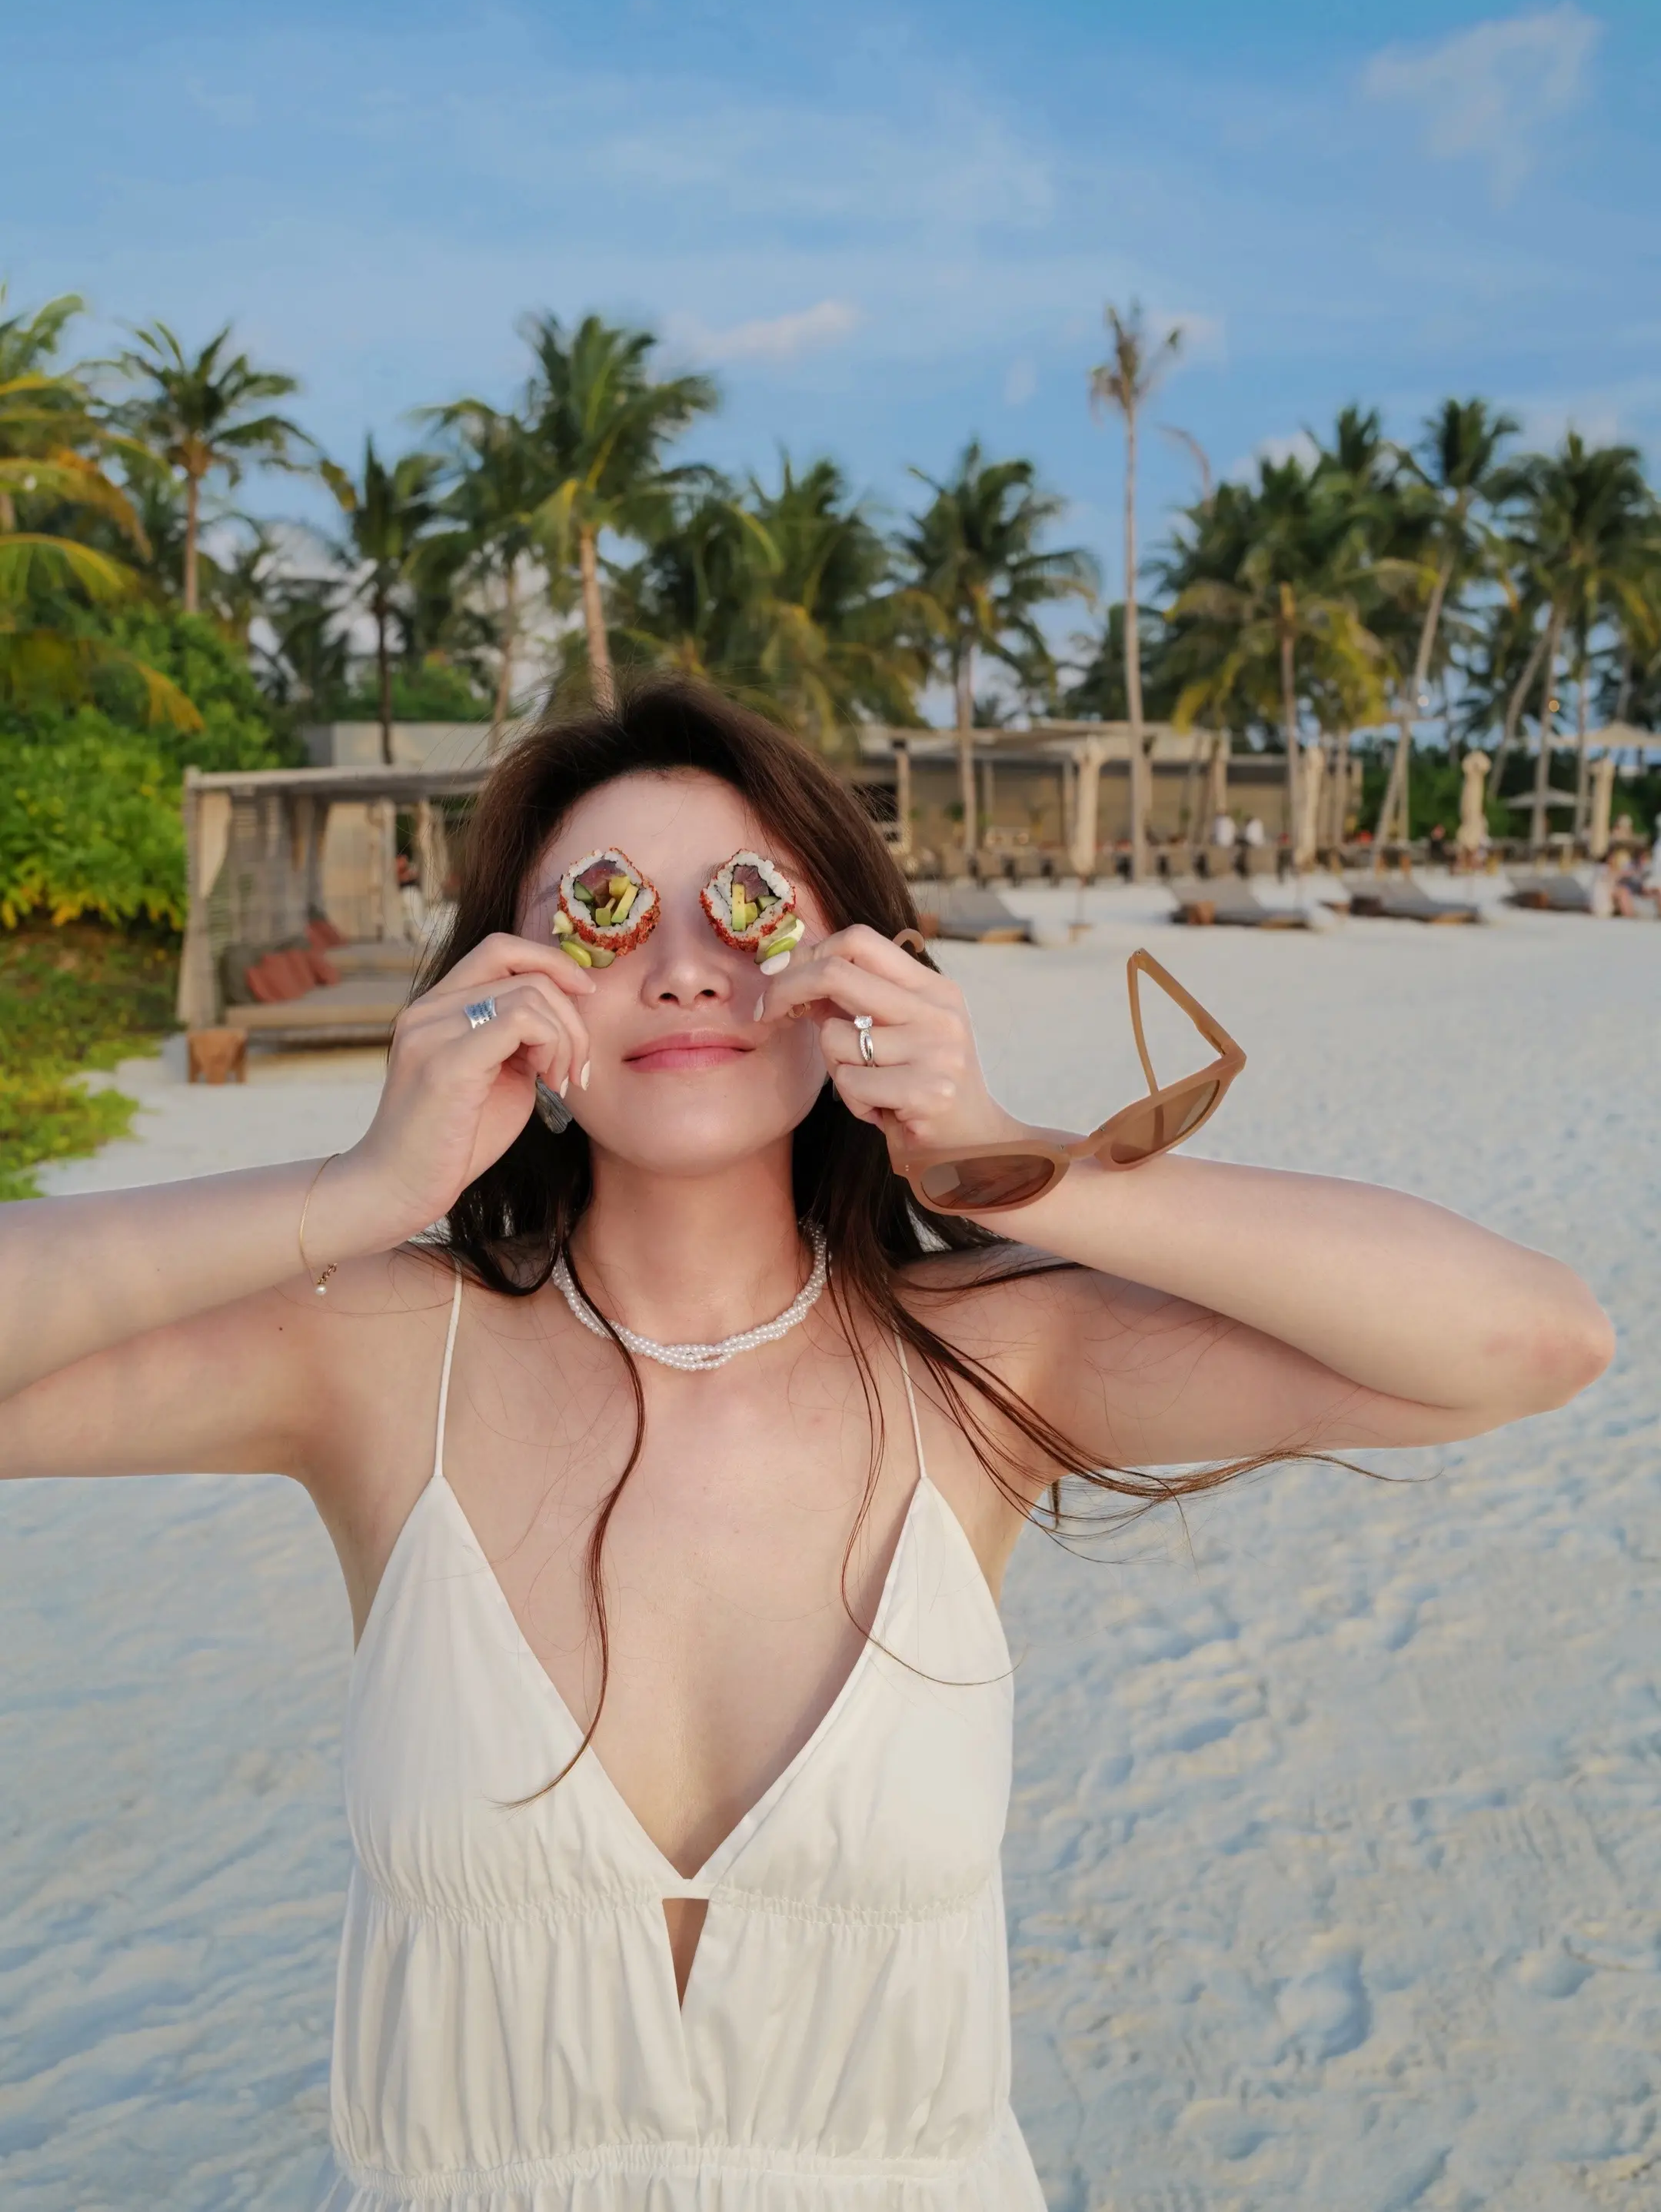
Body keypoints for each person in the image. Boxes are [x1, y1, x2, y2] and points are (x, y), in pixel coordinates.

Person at [0, 680, 1612, 2211]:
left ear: (854, 966)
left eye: (749, 905)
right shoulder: (380, 1354)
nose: (685, 969)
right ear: (508, 981)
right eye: (606, 914)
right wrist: (363, 1188)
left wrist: (1003, 1149)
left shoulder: (991, 1358)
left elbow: (1534, 1339)